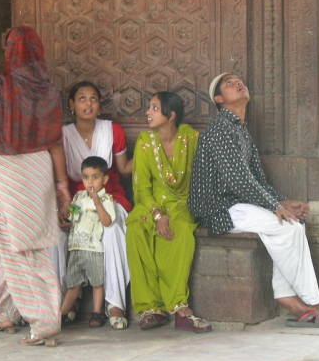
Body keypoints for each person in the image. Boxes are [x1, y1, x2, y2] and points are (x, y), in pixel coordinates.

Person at [188, 73, 319, 328]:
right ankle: (308, 302)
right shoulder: (221, 127)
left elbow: (256, 178)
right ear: (219, 99)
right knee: (287, 227)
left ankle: (289, 297)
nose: (238, 83)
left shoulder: (241, 130)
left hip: (239, 205)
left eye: (238, 80)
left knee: (293, 224)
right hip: (219, 209)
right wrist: (274, 206)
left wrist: (283, 203)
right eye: (229, 83)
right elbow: (238, 180)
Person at [0, 26, 71, 346]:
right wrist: (62, 185)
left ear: (10, 53)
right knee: (25, 244)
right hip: (38, 169)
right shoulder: (48, 92)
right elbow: (55, 143)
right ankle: (5, 313)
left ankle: (45, 320)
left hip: (7, 170)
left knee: (17, 249)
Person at [125, 91, 212, 333]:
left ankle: (178, 305)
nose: (147, 113)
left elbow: (201, 179)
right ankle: (151, 308)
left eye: (154, 108)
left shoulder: (191, 138)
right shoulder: (144, 141)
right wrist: (156, 215)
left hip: (184, 203)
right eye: (149, 107)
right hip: (151, 204)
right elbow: (142, 187)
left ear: (171, 115)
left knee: (181, 229)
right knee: (135, 228)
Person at [55, 81, 132, 330]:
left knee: (111, 232)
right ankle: (66, 301)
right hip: (77, 204)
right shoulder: (63, 136)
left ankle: (115, 303)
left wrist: (150, 152)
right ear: (71, 105)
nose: (88, 104)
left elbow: (123, 170)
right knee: (57, 235)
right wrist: (64, 211)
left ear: (100, 105)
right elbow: (61, 181)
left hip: (110, 200)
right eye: (81, 99)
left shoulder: (113, 131)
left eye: (93, 99)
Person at [60, 156, 117, 328]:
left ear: (105, 179)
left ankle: (97, 312)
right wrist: (66, 218)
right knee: (73, 283)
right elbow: (72, 215)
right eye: (86, 177)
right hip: (76, 247)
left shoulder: (106, 199)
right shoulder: (78, 196)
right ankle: (61, 315)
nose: (90, 181)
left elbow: (107, 221)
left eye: (95, 177)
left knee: (97, 283)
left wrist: (97, 202)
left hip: (94, 249)